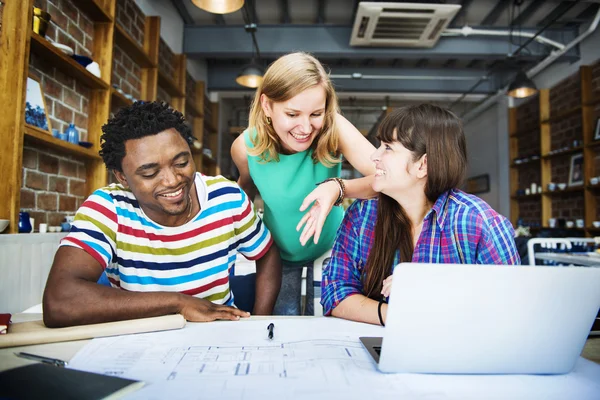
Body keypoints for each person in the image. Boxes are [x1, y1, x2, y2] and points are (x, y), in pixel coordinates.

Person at [43, 102, 281, 328]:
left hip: (218, 335)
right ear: (122, 177)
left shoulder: (226, 197)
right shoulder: (108, 208)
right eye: (150, 173)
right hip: (141, 339)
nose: (172, 181)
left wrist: (259, 322)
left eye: (181, 162)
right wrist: (179, 303)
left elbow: (268, 252)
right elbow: (59, 302)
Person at [321, 104, 520, 325]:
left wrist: (426, 289)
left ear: (423, 165)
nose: (374, 156)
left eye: (388, 148)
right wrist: (399, 314)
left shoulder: (479, 223)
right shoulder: (361, 214)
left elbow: (511, 308)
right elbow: (334, 293)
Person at [231, 52, 377, 315]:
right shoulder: (244, 147)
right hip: (276, 255)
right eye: (292, 113)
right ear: (267, 106)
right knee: (281, 327)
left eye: (315, 114)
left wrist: (338, 187)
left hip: (333, 250)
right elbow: (244, 194)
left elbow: (387, 179)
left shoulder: (335, 130)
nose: (305, 127)